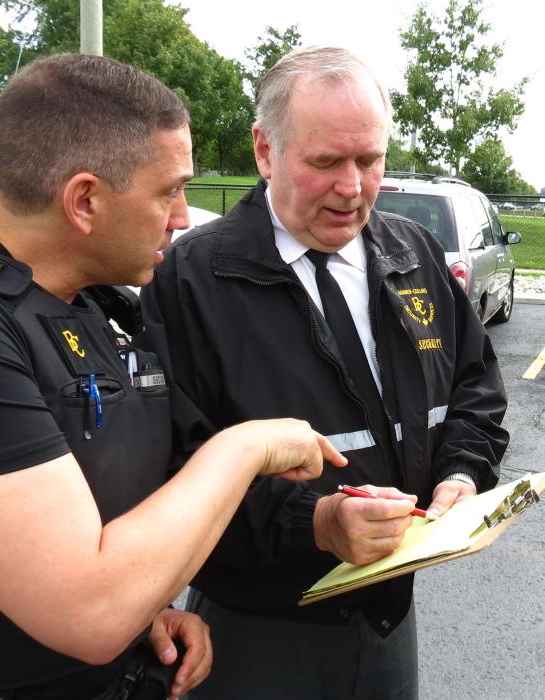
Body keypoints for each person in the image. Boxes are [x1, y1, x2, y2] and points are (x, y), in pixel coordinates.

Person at [0, 54, 343, 700]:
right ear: (84, 200)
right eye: (169, 191)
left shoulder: (89, 308)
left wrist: (146, 606)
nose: (182, 216)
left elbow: (75, 520)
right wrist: (244, 447)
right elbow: (89, 611)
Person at [138, 46, 509, 698]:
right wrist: (315, 523)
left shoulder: (414, 253)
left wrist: (461, 472)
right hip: (258, 633)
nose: (353, 186)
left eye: (369, 160)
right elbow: (174, 466)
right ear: (265, 150)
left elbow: (474, 386)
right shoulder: (191, 281)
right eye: (326, 162)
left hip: (389, 621)